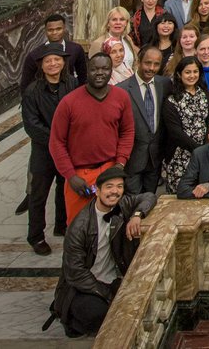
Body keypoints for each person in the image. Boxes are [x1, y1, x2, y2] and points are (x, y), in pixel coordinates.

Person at [50, 166, 155, 337]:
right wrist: (106, 294)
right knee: (102, 315)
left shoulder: (122, 205)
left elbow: (149, 196)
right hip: (87, 286)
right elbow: (75, 273)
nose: (115, 191)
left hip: (112, 278)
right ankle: (71, 320)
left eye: (119, 186)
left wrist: (137, 215)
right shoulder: (79, 227)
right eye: (109, 187)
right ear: (97, 191)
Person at [48, 53, 136, 224]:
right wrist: (70, 176)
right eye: (94, 69)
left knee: (112, 225)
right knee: (78, 226)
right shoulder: (69, 102)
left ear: (111, 71)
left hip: (110, 170)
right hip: (80, 175)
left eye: (105, 68)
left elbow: (127, 132)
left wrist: (120, 164)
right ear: (87, 71)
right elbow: (56, 142)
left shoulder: (121, 97)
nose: (100, 73)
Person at [22, 49, 70, 254]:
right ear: (41, 65)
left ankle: (62, 224)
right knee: (38, 194)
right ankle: (36, 237)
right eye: (48, 61)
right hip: (43, 151)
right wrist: (56, 140)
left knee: (64, 187)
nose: (53, 64)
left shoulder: (71, 85)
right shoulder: (32, 91)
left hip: (67, 148)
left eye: (56, 60)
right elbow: (31, 125)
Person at [119, 47, 170, 195]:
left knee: (149, 203)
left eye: (156, 64)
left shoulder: (165, 85)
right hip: (132, 159)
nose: (151, 68)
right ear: (139, 62)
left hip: (155, 159)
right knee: (132, 204)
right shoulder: (122, 90)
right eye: (148, 63)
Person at [161, 56, 209, 193]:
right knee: (180, 196)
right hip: (179, 155)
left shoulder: (205, 94)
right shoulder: (171, 100)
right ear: (179, 74)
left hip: (204, 152)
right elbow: (175, 132)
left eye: (195, 72)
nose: (192, 76)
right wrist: (198, 150)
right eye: (187, 72)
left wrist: (206, 148)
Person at [20, 14, 87, 92]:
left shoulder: (76, 49)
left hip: (70, 93)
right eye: (50, 30)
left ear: (64, 28)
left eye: (58, 29)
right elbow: (25, 84)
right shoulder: (34, 55)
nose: (54, 32)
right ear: (45, 31)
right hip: (44, 97)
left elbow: (83, 76)